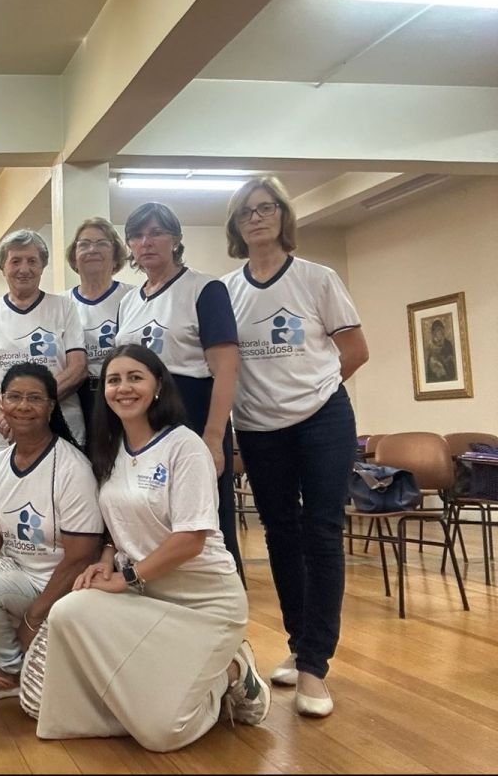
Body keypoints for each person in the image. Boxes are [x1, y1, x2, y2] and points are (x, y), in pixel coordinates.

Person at [33, 344, 269, 751]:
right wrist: (107, 560)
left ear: (158, 385)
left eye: (135, 377)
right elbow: (118, 525)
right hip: (145, 594)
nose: (123, 388)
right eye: (113, 380)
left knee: (162, 734)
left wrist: (126, 578)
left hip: (204, 602)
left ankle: (234, 671)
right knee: (69, 611)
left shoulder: (184, 446)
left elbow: (191, 539)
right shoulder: (110, 450)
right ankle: (140, 699)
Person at [221, 176, 369, 718]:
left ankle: (314, 668)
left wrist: (311, 392)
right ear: (236, 226)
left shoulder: (317, 278)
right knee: (279, 532)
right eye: (246, 212)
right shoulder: (228, 289)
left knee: (322, 530)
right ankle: (296, 642)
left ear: (283, 216)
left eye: (267, 208)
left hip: (322, 421)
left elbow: (355, 350)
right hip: (260, 430)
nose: (257, 218)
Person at [0, 363, 102, 702]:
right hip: (20, 581)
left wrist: (35, 617)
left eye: (35, 398)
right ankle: (11, 669)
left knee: (48, 701)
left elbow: (82, 557)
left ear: (51, 406)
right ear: (2, 403)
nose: (23, 406)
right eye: (15, 397)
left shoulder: (72, 468)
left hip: (68, 592)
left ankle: (35, 652)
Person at [115, 202, 243, 578]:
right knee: (152, 518)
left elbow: (226, 368)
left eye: (156, 232)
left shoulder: (205, 289)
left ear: (176, 239)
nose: (146, 242)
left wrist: (215, 438)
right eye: (137, 235)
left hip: (192, 415)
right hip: (144, 423)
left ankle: (223, 616)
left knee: (203, 524)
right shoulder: (129, 301)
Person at [0, 229, 87, 455]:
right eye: (15, 261)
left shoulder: (64, 307)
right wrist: (4, 417)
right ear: (2, 267)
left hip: (59, 427)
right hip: (3, 434)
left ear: (43, 266)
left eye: (32, 261)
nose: (24, 269)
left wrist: (35, 406)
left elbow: (78, 368)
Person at [64, 217, 133, 442]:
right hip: (75, 397)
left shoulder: (133, 297)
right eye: (84, 244)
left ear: (116, 254)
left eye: (101, 243)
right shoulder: (61, 304)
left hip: (122, 393)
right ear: (74, 256)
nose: (92, 249)